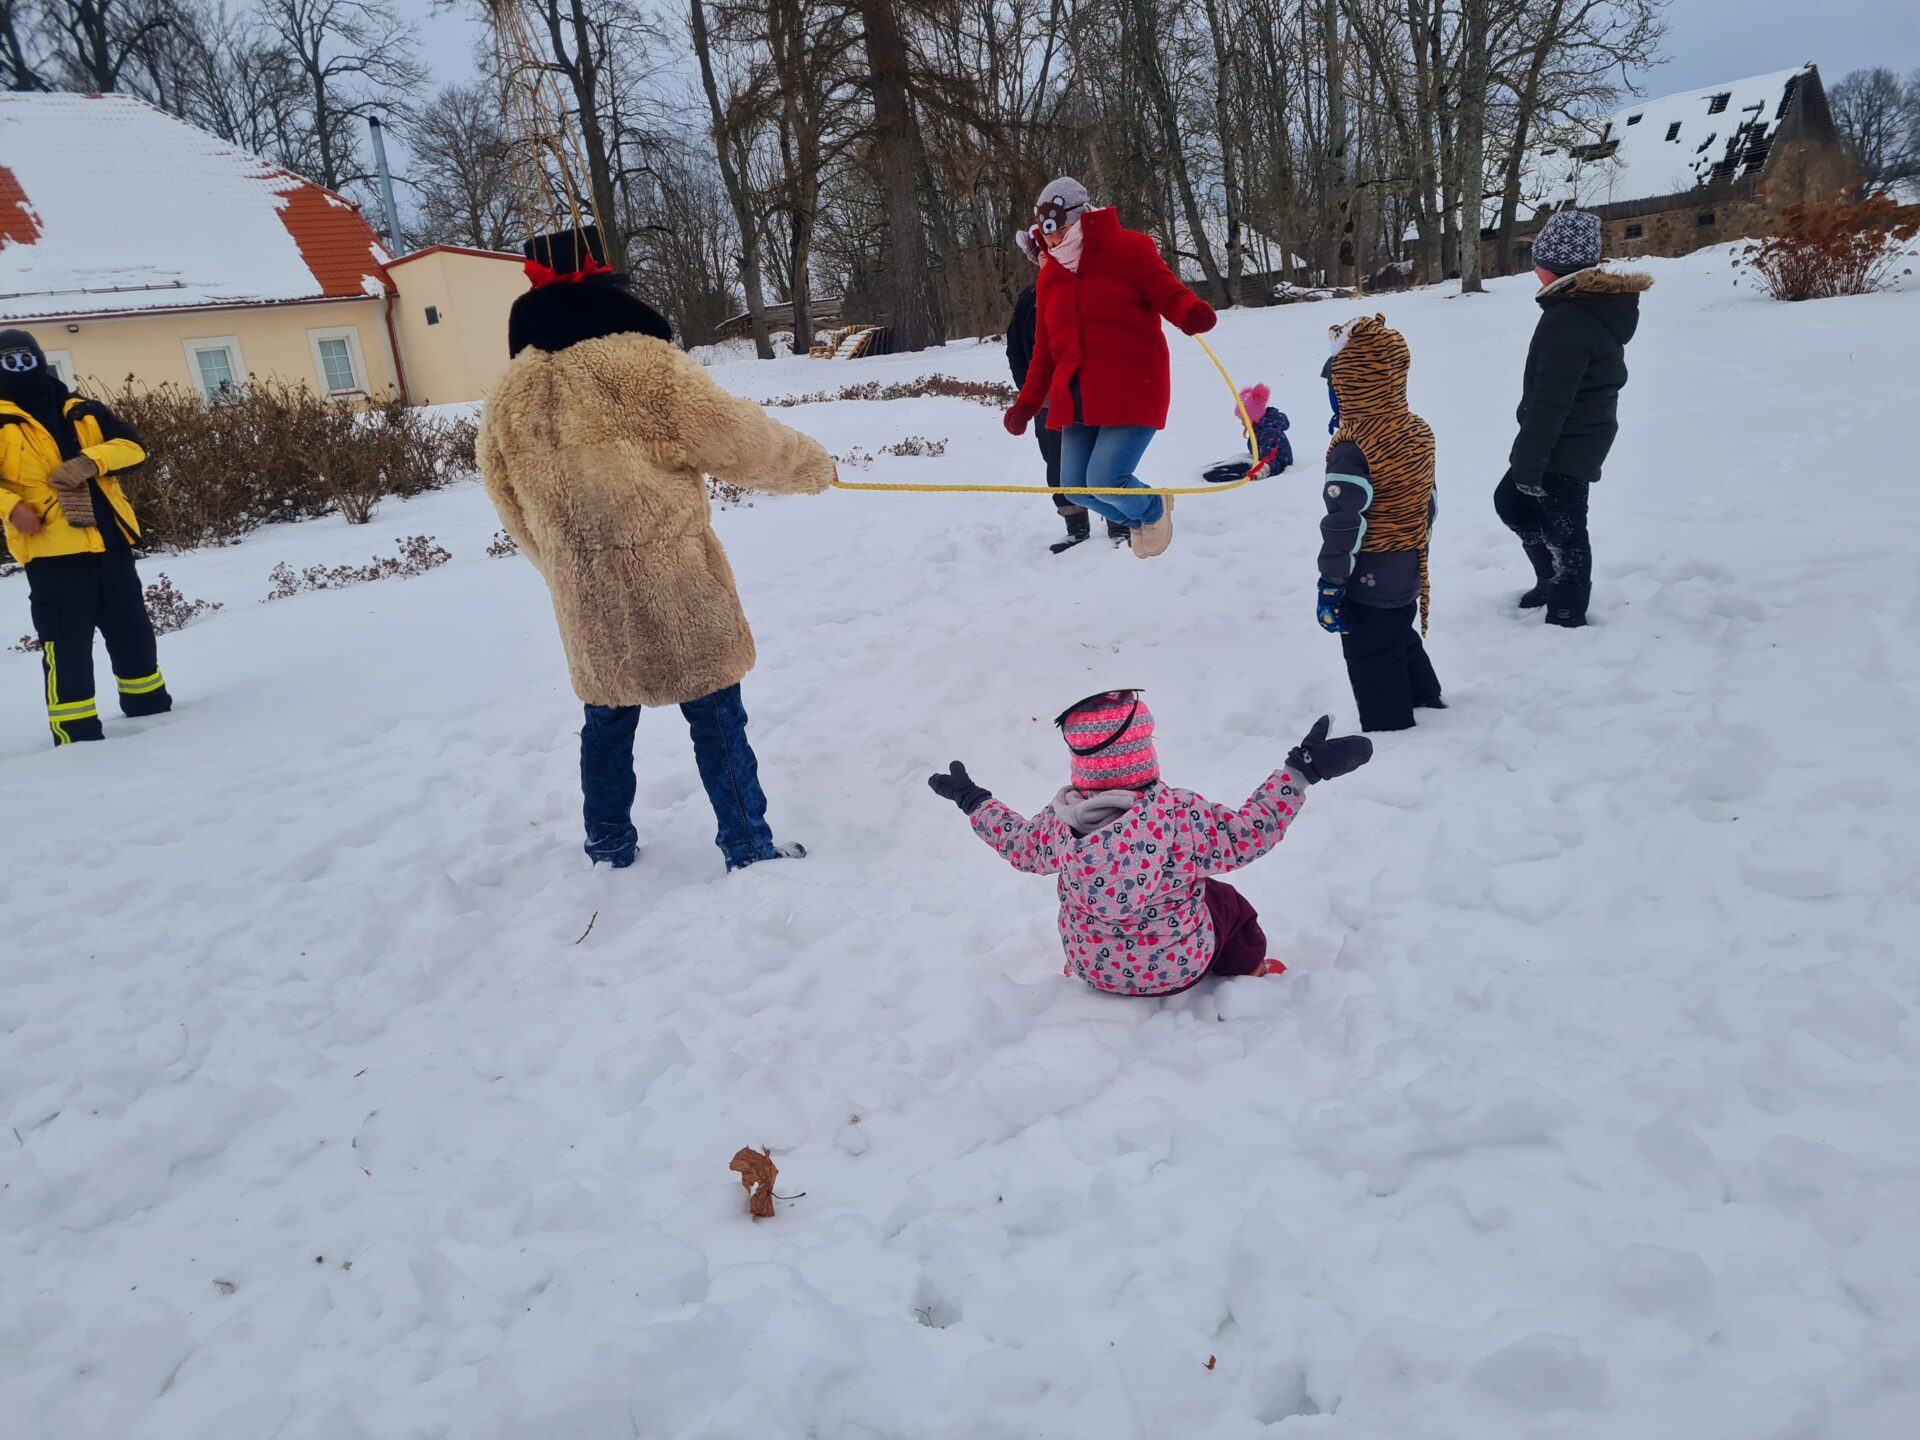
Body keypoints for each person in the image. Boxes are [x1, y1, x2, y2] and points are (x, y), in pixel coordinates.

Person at [477, 226, 836, 872]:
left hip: (587, 595)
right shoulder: (645, 365)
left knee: (606, 722)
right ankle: (748, 846)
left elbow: (507, 500)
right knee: (717, 713)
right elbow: (736, 439)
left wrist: (560, 564)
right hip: (676, 580)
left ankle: (608, 845)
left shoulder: (510, 394)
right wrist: (809, 466)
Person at [927, 691, 1372, 996]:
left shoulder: (1061, 821)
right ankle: (1247, 965)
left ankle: (1093, 965)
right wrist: (1300, 773)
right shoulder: (1178, 815)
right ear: (1142, 755)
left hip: (1092, 967)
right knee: (1225, 900)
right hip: (1179, 967)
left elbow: (1020, 845)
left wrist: (974, 801)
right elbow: (1247, 834)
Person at [1004, 177, 1217, 559]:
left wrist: (1189, 313)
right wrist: (1027, 404)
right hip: (1077, 401)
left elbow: (1167, 291)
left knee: (1105, 479)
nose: (1053, 240)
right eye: (1046, 233)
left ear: (1080, 217)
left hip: (1130, 387)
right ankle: (1138, 517)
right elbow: (1044, 354)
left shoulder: (1129, 249)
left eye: (1061, 229)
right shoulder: (1050, 277)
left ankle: (1152, 508)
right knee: (1075, 488)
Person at [0, 329, 172, 745]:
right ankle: (76, 735)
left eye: (26, 358)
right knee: (67, 648)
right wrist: (11, 507)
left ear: (40, 359)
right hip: (52, 554)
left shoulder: (83, 410)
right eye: (9, 361)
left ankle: (151, 712)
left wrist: (91, 461)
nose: (21, 367)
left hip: (111, 545)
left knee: (132, 634)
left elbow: (133, 448)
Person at [1494, 208, 1652, 628]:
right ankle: (1550, 581)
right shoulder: (1578, 309)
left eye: (1538, 262)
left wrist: (1529, 465)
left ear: (1554, 267)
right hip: (1569, 435)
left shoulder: (1568, 319)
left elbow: (1550, 402)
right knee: (1511, 502)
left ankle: (1567, 610)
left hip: (1569, 442)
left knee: (1565, 527)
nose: (1534, 271)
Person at [1316, 314, 1443, 733]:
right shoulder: (1416, 429)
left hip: (1370, 574)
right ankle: (1426, 699)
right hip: (1410, 564)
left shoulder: (1353, 447)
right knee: (1398, 633)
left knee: (1371, 653)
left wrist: (1332, 583)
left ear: (1350, 384)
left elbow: (1343, 525)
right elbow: (1428, 499)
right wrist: (1415, 542)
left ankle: (1392, 731)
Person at [1006, 280, 1126, 553]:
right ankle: (1076, 526)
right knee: (1057, 464)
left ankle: (1120, 523)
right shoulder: (1029, 297)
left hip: (1093, 395)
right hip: (1048, 400)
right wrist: (1030, 392)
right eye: (1039, 256)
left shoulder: (1090, 284)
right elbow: (1015, 347)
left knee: (1104, 460)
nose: (1046, 259)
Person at [1202, 382, 1291, 484]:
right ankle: (1205, 472)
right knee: (1214, 470)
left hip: (1268, 468)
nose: (1242, 423)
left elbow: (1275, 461)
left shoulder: (1268, 432)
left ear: (1253, 416)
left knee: (1212, 475)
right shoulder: (1262, 429)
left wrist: (1264, 470)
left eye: (1243, 420)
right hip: (1257, 462)